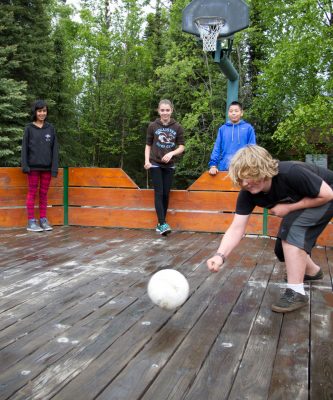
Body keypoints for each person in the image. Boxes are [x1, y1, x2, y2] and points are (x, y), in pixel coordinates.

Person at [207, 145, 333, 313]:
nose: (245, 184)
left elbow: (327, 194)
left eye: (249, 178)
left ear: (262, 170)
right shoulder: (248, 193)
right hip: (310, 199)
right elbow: (237, 228)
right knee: (282, 250)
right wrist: (220, 255)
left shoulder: (290, 172)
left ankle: (296, 292)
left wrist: (288, 208)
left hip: (327, 194)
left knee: (292, 232)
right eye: (240, 180)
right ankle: (312, 272)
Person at [144, 99, 185, 235]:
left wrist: (171, 153)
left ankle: (160, 223)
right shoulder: (152, 126)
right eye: (162, 110)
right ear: (158, 111)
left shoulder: (177, 127)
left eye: (167, 110)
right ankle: (162, 223)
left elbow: (182, 146)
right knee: (159, 192)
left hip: (170, 165)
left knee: (166, 194)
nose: (165, 112)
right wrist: (147, 161)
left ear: (171, 111)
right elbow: (148, 145)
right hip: (155, 163)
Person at [21, 100, 59, 232]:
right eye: (39, 111)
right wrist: (25, 166)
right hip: (32, 168)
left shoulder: (50, 129)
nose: (42, 113)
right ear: (35, 112)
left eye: (44, 111)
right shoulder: (29, 129)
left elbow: (55, 150)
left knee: (43, 194)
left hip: (47, 169)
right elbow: (24, 149)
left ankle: (43, 219)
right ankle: (31, 222)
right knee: (32, 193)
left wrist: (54, 168)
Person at [208, 101, 256, 175]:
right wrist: (213, 165)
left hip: (243, 169)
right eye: (231, 111)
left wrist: (251, 166)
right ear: (228, 113)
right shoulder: (222, 129)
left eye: (236, 111)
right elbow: (217, 148)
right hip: (224, 169)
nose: (233, 113)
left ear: (241, 113)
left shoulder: (248, 128)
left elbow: (252, 149)